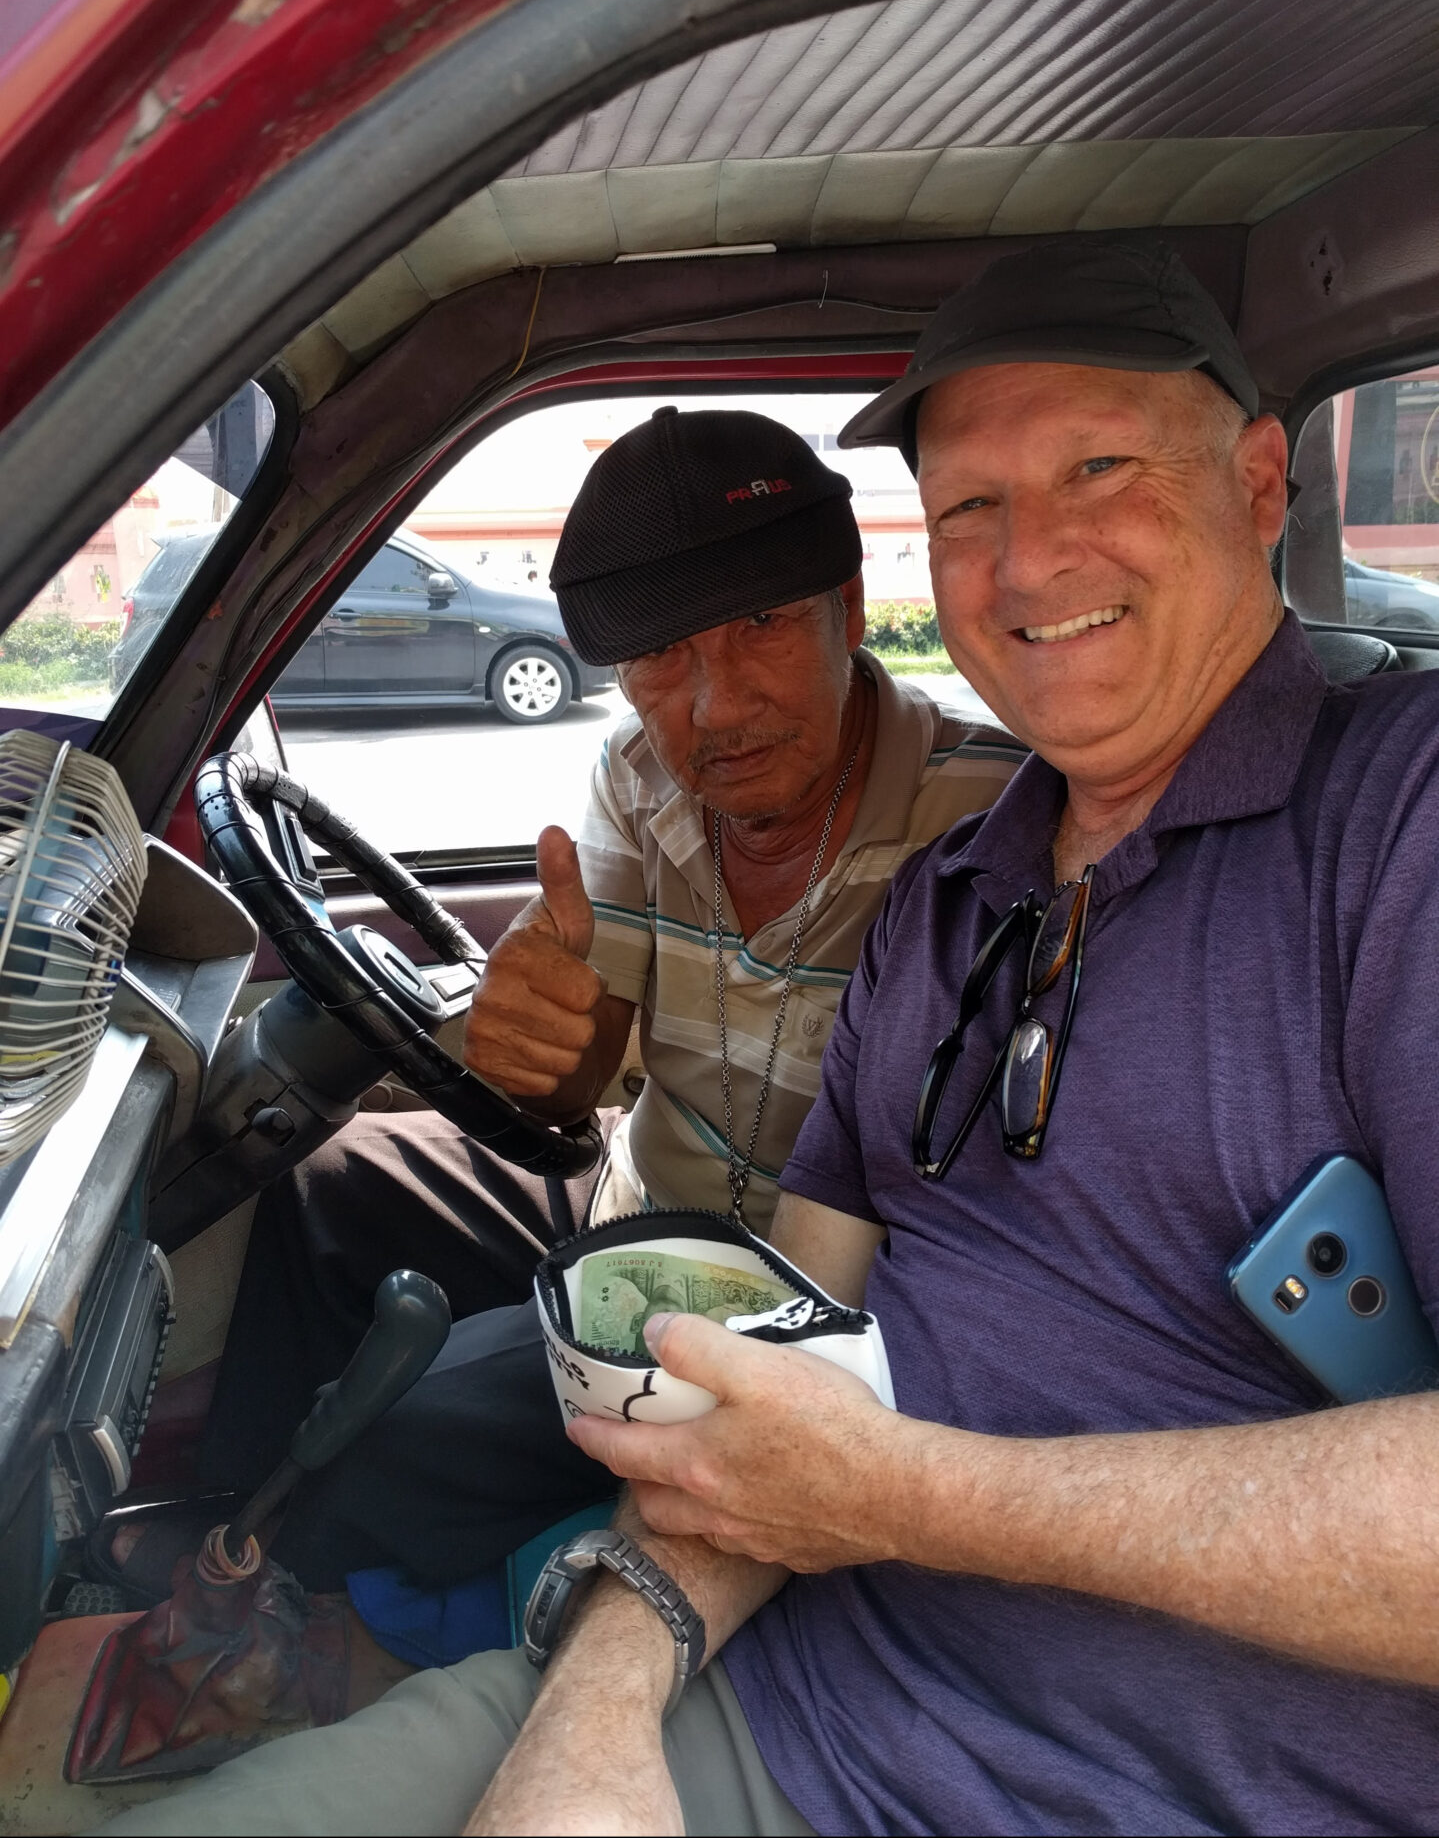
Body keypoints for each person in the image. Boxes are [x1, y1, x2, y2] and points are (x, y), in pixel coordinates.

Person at [106, 234, 1439, 1838]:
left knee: (420, 1418)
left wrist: (896, 1493)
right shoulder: (957, 902)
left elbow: (822, 1445)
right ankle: (263, 1590)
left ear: (1257, 482)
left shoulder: (1389, 828)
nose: (1027, 564)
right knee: (347, 1246)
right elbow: (779, 1359)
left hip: (1161, 1756)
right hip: (776, 1660)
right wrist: (596, 1710)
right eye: (969, 509)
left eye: (1096, 469)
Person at [103, 407, 1017, 1604]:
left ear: (846, 609)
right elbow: (578, 1085)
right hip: (633, 1206)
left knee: (411, 1424)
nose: (713, 706)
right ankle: (239, 1532)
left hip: (829, 1307)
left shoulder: (992, 816)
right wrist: (541, 1044)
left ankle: (295, 1595)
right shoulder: (639, 782)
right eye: (660, 656)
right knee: (322, 1183)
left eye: (760, 625)